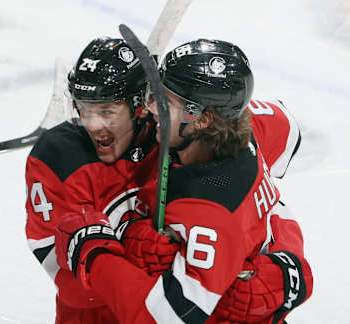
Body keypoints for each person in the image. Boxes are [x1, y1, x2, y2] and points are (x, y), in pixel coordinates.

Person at [52, 38, 313, 324]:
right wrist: (289, 260)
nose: (151, 106)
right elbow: (289, 130)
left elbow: (167, 316)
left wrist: (92, 251)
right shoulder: (246, 126)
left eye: (165, 102)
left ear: (201, 120)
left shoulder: (204, 210)